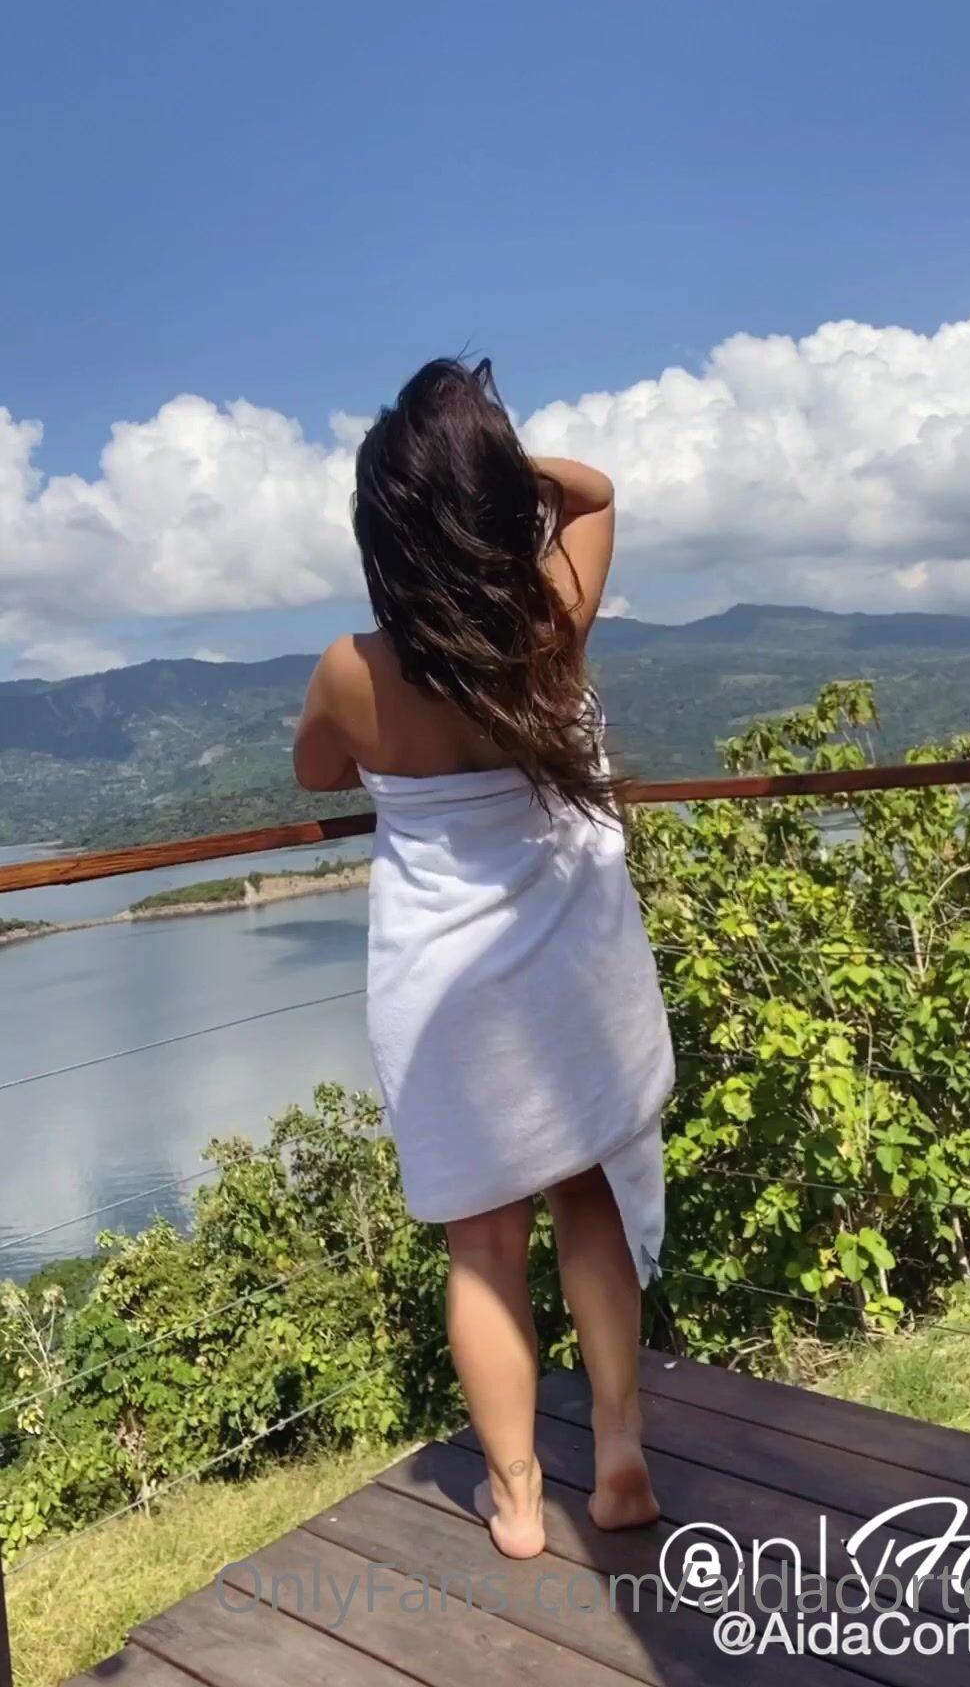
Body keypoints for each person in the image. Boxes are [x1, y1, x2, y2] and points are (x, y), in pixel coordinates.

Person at [293, 357, 674, 1559]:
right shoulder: (551, 626)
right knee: (588, 1199)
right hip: (567, 969)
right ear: (495, 498)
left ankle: (515, 1499)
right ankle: (619, 1449)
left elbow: (314, 772)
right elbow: (595, 492)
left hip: (443, 993)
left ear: (386, 527)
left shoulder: (352, 671)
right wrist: (499, 478)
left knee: (482, 1243)